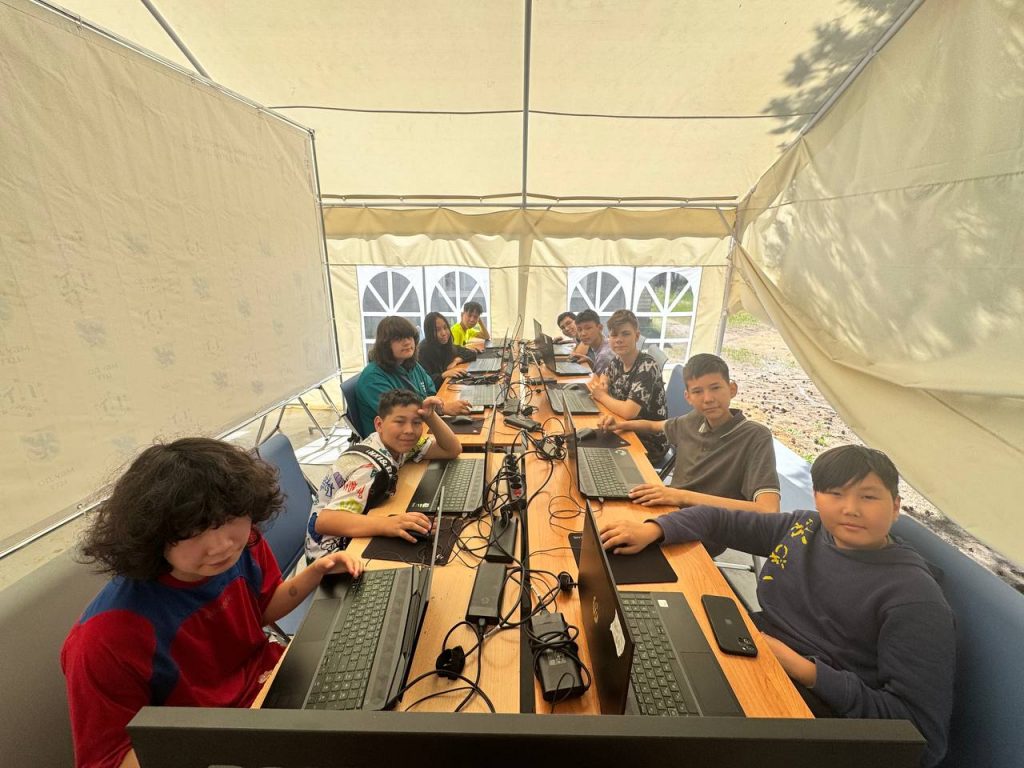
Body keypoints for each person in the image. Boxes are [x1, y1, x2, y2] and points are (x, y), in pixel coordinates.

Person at [600, 445, 955, 768]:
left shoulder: (914, 599)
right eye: (835, 494)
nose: (850, 509)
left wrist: (799, 666)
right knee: (629, 665)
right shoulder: (805, 528)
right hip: (754, 651)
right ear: (817, 497)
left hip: (810, 707)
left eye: (869, 496)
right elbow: (716, 519)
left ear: (896, 506)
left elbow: (922, 739)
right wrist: (655, 529)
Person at [61, 438, 363, 768]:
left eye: (230, 518)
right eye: (192, 531)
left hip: (276, 685)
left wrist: (315, 573)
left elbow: (261, 611)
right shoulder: (105, 638)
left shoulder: (244, 547)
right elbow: (109, 759)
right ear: (152, 533)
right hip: (217, 745)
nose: (221, 545)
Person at [599, 352, 779, 514]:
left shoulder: (755, 436)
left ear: (732, 389)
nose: (708, 399)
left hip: (705, 524)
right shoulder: (695, 419)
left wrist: (682, 496)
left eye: (715, 388)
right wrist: (621, 425)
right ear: (688, 397)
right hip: (671, 508)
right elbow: (655, 426)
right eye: (697, 391)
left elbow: (769, 510)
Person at [306, 388, 461, 560]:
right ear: (379, 424)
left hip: (355, 527)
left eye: (417, 422)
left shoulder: (393, 444)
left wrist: (430, 416)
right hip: (331, 554)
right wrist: (390, 523)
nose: (409, 430)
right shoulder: (369, 469)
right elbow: (324, 521)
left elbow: (452, 449)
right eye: (400, 422)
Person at [354, 316, 470, 437]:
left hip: (418, 427)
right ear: (385, 345)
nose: (407, 342)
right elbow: (401, 414)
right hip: (393, 441)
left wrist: (440, 405)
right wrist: (443, 408)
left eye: (410, 337)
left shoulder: (412, 365)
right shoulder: (372, 378)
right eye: (399, 339)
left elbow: (431, 392)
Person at [586, 309, 668, 461]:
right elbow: (605, 375)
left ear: (636, 336)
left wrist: (601, 395)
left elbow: (629, 412)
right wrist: (604, 384)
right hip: (624, 425)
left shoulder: (647, 366)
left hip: (649, 440)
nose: (619, 340)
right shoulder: (619, 359)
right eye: (614, 335)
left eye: (625, 334)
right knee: (586, 440)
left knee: (593, 453)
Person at [417, 311, 478, 387]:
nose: (443, 333)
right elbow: (423, 382)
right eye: (437, 330)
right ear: (429, 332)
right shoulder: (423, 351)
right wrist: (443, 375)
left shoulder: (445, 346)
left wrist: (456, 361)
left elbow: (471, 353)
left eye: (445, 328)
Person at [573, 308, 615, 375]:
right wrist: (591, 362)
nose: (583, 334)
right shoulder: (604, 343)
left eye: (588, 328)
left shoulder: (604, 356)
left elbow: (598, 380)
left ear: (600, 328)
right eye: (579, 330)